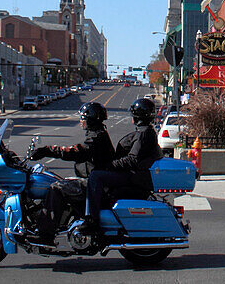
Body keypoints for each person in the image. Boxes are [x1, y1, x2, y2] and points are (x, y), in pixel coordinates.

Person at [29, 102, 115, 245]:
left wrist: (47, 150)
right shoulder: (97, 134)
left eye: (83, 118)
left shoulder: (96, 137)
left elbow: (77, 151)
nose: (81, 121)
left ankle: (45, 235)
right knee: (57, 181)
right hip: (94, 181)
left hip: (94, 184)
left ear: (91, 119)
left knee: (56, 188)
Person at [83, 97, 162, 233]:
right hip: (134, 175)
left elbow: (132, 160)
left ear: (138, 116)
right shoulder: (145, 132)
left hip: (133, 176)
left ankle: (92, 220)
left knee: (96, 176)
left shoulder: (143, 134)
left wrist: (109, 166)